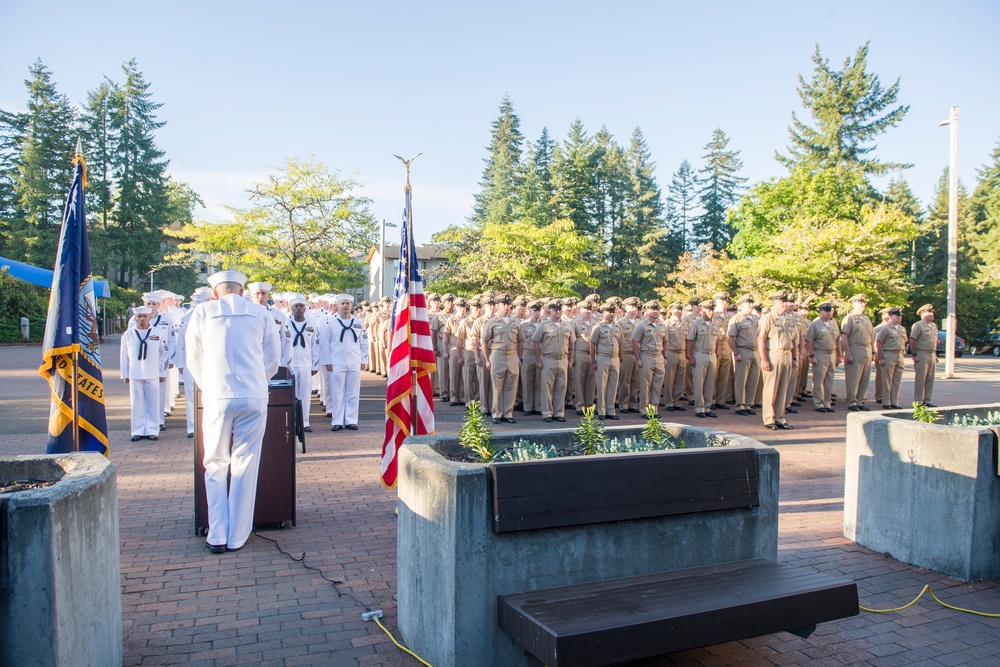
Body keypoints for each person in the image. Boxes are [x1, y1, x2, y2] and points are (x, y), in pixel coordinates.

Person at [186, 270, 281, 554]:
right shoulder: (261, 313)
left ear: (215, 293)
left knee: (215, 462)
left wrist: (210, 387)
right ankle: (238, 535)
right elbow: (273, 358)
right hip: (253, 394)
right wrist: (257, 383)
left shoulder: (202, 312)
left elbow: (193, 358)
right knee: (245, 463)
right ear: (242, 292)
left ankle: (217, 533)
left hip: (217, 394)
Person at [320, 294, 369, 431]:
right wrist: (327, 361)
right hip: (337, 362)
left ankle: (351, 420)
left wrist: (364, 359)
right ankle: (337, 420)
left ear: (351, 306)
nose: (345, 306)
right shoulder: (331, 323)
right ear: (338, 305)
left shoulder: (358, 323)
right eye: (342, 303)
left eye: (347, 303)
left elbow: (364, 342)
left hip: (354, 361)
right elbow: (325, 344)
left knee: (353, 392)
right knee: (337, 392)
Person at [120, 306, 169, 441]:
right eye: (139, 317)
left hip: (152, 373)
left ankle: (152, 430)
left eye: (144, 316)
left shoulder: (158, 333)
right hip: (135, 373)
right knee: (136, 403)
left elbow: (165, 354)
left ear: (149, 318)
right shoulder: (128, 335)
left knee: (153, 402)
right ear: (135, 318)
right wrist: (125, 374)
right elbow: (124, 355)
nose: (141, 319)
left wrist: (162, 372)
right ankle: (137, 430)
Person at [480, 293, 524, 424]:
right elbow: (484, 340)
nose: (506, 307)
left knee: (512, 384)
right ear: (498, 306)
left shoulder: (516, 322)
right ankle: (496, 413)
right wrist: (487, 359)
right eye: (503, 304)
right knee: (497, 385)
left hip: (512, 355)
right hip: (498, 355)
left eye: (508, 304)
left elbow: (521, 341)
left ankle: (508, 413)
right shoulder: (492, 322)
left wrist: (519, 357)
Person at [757, 290, 796, 430]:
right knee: (770, 388)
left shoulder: (790, 319)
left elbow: (794, 340)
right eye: (782, 302)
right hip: (773, 354)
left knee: (782, 389)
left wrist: (795, 357)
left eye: (786, 301)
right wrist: (764, 359)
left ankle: (780, 417)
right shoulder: (768, 318)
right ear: (775, 303)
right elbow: (761, 338)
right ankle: (769, 418)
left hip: (787, 354)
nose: (785, 304)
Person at [532, 300, 575, 422]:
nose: (558, 313)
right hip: (548, 359)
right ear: (550, 311)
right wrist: (538, 360)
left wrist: (571, 359)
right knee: (547, 388)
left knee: (561, 387)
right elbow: (535, 343)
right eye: (555, 310)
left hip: (562, 360)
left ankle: (559, 413)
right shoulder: (544, 325)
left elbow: (571, 344)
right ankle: (547, 413)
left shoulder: (567, 325)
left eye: (560, 310)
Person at [287, 294, 321, 431]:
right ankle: (292, 421)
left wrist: (315, 364)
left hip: (306, 364)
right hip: (291, 364)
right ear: (291, 308)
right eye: (296, 306)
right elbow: (282, 344)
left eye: (301, 306)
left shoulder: (311, 324)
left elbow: (315, 346)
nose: (299, 309)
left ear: (305, 309)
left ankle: (305, 422)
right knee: (291, 394)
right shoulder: (286, 323)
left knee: (305, 394)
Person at [632, 300, 668, 415]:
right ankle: (644, 409)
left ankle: (654, 409)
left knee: (657, 385)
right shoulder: (641, 325)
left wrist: (665, 357)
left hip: (658, 356)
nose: (656, 312)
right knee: (645, 385)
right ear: (647, 311)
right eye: (653, 309)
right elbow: (634, 342)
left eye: (657, 309)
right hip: (646, 355)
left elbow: (666, 342)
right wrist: (638, 358)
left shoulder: (663, 325)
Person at [589, 302, 623, 420]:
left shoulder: (618, 327)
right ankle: (601, 410)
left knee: (613, 385)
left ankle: (611, 410)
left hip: (615, 358)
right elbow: (592, 344)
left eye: (613, 312)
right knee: (602, 385)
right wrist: (593, 361)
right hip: (603, 358)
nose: (611, 314)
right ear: (603, 313)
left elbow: (620, 343)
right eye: (609, 312)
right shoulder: (598, 327)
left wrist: (621, 358)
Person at [805, 302, 841, 412]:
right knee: (819, 379)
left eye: (830, 311)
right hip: (820, 353)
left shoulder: (833, 323)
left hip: (831, 353)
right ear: (820, 311)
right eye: (826, 311)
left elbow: (838, 340)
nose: (828, 313)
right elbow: (809, 340)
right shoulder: (815, 324)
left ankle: (827, 402)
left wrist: (839, 355)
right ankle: (818, 402)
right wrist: (811, 355)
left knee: (829, 379)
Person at [841, 294, 874, 411]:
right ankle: (852, 401)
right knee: (853, 377)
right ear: (853, 304)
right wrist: (847, 353)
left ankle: (861, 400)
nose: (862, 304)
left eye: (863, 302)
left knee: (865, 377)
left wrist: (873, 352)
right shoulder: (850, 318)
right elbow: (844, 337)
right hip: (855, 348)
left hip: (867, 349)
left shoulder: (867, 319)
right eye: (859, 302)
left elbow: (871, 336)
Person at [687, 299, 719, 418]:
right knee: (699, 382)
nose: (711, 312)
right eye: (709, 310)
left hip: (711, 355)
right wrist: (691, 357)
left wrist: (716, 354)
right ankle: (699, 407)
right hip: (700, 354)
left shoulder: (715, 324)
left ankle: (708, 406)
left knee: (710, 382)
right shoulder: (696, 323)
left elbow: (717, 341)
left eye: (712, 310)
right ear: (703, 310)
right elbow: (690, 341)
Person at [728, 295, 759, 416]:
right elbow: (730, 337)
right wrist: (736, 352)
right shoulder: (737, 318)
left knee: (753, 379)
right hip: (743, 350)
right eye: (748, 303)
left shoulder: (756, 318)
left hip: (755, 351)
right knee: (741, 379)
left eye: (752, 303)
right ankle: (740, 404)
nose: (751, 305)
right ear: (742, 305)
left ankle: (749, 404)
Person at [875, 308, 907, 409]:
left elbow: (904, 341)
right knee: (887, 380)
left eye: (900, 315)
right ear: (891, 316)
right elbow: (879, 342)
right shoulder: (886, 328)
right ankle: (886, 402)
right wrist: (880, 358)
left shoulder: (902, 328)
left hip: (899, 354)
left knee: (897, 380)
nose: (899, 317)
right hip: (888, 353)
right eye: (897, 315)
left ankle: (894, 402)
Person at [910, 303, 939, 407]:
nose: (932, 314)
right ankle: (918, 402)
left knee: (930, 379)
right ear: (923, 314)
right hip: (921, 353)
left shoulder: (934, 326)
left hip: (931, 354)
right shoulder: (919, 325)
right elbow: (912, 340)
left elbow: (934, 341)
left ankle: (927, 400)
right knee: (920, 379)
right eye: (929, 312)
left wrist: (935, 354)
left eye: (932, 312)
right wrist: (914, 354)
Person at [662, 302, 687, 412]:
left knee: (680, 379)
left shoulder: (685, 324)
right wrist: (665, 356)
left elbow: (687, 340)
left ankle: (677, 402)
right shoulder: (666, 324)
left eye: (681, 309)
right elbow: (664, 341)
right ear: (671, 311)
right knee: (669, 379)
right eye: (677, 309)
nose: (679, 312)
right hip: (671, 352)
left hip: (681, 352)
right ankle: (669, 402)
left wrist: (687, 355)